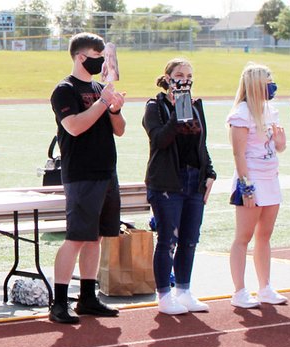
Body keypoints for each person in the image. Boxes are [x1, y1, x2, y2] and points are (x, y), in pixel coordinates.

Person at [48, 32, 126, 324]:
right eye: (98, 56)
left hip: (107, 171)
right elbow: (75, 127)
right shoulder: (64, 89)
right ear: (82, 57)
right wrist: (102, 103)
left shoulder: (99, 88)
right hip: (81, 174)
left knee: (96, 238)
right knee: (77, 237)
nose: (102, 62)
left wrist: (114, 108)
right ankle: (58, 301)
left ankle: (88, 297)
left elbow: (119, 129)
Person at [142, 58, 215, 315]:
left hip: (194, 181)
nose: (185, 79)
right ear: (168, 77)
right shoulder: (155, 106)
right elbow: (160, 140)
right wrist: (177, 113)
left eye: (189, 75)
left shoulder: (196, 106)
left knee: (190, 239)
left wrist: (210, 172)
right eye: (180, 74)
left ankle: (184, 290)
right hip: (167, 182)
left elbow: (201, 144)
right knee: (168, 240)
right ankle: (164, 295)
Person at [226, 63, 289, 309]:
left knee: (265, 236)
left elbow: (276, 146)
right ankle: (239, 290)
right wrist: (247, 186)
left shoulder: (270, 110)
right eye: (267, 80)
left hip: (270, 178)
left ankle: (265, 287)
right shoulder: (241, 113)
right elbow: (238, 153)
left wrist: (281, 143)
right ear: (254, 84)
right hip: (251, 180)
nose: (271, 85)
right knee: (243, 236)